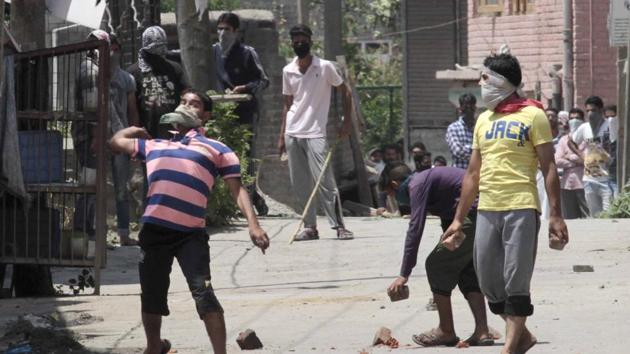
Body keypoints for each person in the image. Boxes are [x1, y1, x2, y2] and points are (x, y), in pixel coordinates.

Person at [109, 94, 270, 354]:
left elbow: (238, 191)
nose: (186, 105)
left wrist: (254, 225)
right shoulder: (154, 145)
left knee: (203, 293)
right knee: (151, 293)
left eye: (194, 103)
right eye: (183, 101)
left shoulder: (218, 149)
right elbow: (116, 142)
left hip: (190, 235)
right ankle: (154, 347)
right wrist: (135, 129)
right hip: (154, 230)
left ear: (205, 116)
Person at [442, 53, 569, 354]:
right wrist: (458, 219)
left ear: (503, 82)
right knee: (487, 279)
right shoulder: (484, 120)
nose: (481, 85)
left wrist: (556, 216)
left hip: (522, 206)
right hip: (487, 208)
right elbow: (473, 173)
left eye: (485, 79)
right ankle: (522, 336)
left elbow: (549, 167)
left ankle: (510, 348)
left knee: (516, 279)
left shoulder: (533, 116)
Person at [387, 164, 495, 347]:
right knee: (466, 268)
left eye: (390, 194)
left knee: (436, 264)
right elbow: (449, 211)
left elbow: (415, 228)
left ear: (395, 184)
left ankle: (446, 330)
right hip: (486, 213)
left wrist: (404, 274)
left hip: (475, 214)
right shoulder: (429, 180)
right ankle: (482, 331)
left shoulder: (417, 184)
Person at [277, 24, 354, 241]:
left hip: (316, 132)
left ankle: (339, 226)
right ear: (291, 43)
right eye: (295, 39)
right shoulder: (288, 70)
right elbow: (287, 104)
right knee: (300, 184)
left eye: (303, 38)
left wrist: (346, 121)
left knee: (325, 181)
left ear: (310, 41)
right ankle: (310, 227)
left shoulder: (325, 67)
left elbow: (345, 92)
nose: (299, 43)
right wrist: (281, 136)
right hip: (293, 132)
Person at [73, 30, 140, 247]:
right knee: (90, 187)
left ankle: (95, 237)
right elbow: (92, 106)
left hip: (111, 137)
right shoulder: (89, 68)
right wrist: (94, 135)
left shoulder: (109, 72)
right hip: (93, 138)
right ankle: (85, 237)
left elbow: (127, 109)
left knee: (103, 188)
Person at [212, 12, 270, 215]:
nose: (222, 34)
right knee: (225, 157)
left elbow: (263, 80)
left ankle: (251, 196)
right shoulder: (214, 52)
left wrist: (244, 88)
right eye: (219, 29)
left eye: (226, 29)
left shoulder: (247, 53)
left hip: (245, 112)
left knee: (246, 156)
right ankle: (242, 199)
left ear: (236, 31)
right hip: (223, 115)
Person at [127, 26, 189, 140]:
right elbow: (132, 109)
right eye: (155, 48)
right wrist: (136, 136)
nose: (158, 52)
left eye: (161, 47)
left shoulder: (174, 68)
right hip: (147, 134)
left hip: (174, 133)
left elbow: (185, 97)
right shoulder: (134, 72)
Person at [572, 96, 612, 216]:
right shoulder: (584, 127)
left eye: (593, 110)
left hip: (608, 179)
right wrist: (581, 155)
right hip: (589, 179)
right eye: (588, 111)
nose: (590, 114)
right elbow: (572, 141)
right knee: (595, 215)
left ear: (601, 110)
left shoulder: (609, 126)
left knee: (609, 215)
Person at [555, 112, 589, 219]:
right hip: (566, 184)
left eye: (577, 118)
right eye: (572, 118)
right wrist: (576, 160)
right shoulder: (563, 140)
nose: (574, 121)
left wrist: (569, 156)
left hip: (584, 183)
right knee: (570, 219)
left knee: (588, 216)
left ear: (583, 120)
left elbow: (588, 160)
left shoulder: (588, 138)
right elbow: (557, 161)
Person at [446, 93, 476, 169]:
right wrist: (476, 152)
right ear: (460, 109)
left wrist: (467, 148)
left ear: (475, 108)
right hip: (459, 174)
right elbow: (457, 151)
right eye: (466, 107)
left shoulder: (478, 128)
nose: (469, 110)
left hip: (476, 174)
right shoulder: (453, 128)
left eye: (471, 107)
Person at [604, 104, 618, 198]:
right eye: (607, 117)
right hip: (609, 172)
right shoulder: (605, 133)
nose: (610, 119)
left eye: (612, 116)